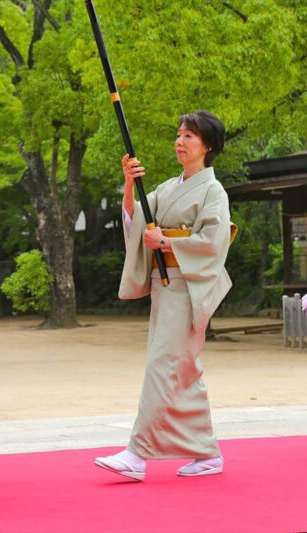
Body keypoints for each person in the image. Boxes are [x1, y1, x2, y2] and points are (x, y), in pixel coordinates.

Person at [94, 110, 234, 480]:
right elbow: (137, 217)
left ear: (208, 146)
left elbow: (214, 241)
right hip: (165, 285)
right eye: (178, 134)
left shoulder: (212, 190)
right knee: (184, 370)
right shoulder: (171, 187)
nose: (180, 141)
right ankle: (207, 452)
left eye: (189, 136)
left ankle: (137, 454)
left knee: (162, 366)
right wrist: (129, 183)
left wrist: (168, 240)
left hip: (188, 286)